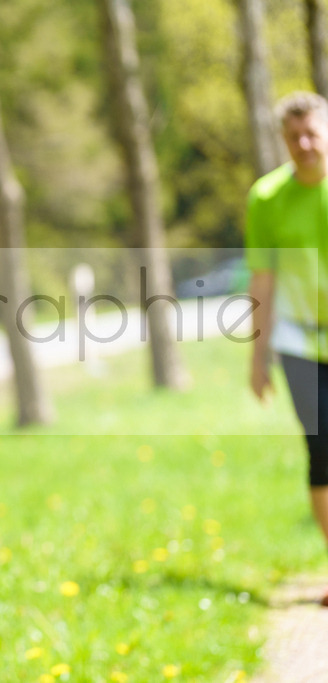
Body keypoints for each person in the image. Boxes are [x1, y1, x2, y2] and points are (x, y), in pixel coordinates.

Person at [246, 90, 328, 605]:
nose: (304, 143)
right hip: (298, 342)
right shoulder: (267, 197)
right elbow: (262, 280)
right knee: (321, 450)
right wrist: (257, 358)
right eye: (293, 136)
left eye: (312, 132)